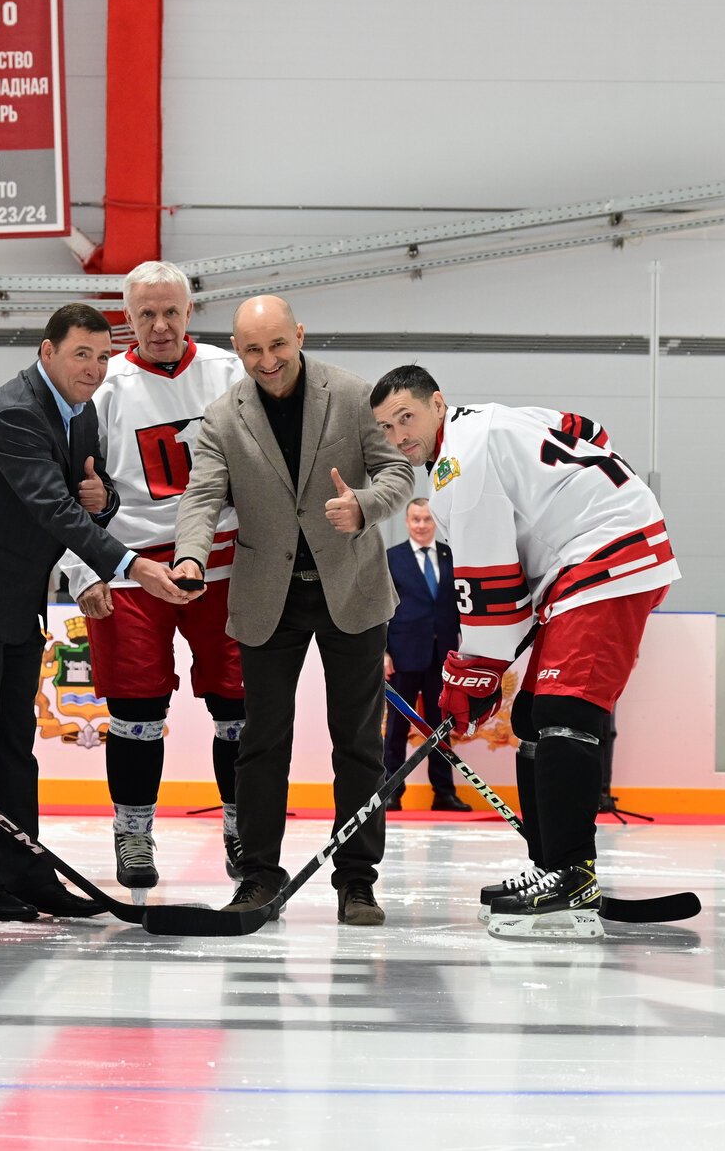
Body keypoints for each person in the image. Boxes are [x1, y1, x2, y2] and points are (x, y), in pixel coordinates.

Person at [370, 365, 680, 939]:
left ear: (438, 402)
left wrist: (470, 677)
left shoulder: (459, 468)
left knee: (566, 712)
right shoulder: (485, 423)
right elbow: (586, 429)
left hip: (607, 556)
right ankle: (552, 867)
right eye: (387, 428)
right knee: (533, 715)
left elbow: (491, 595)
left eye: (406, 417)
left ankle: (570, 878)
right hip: (585, 558)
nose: (398, 437)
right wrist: (479, 675)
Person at [0, 303, 195, 923]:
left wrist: (107, 500)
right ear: (47, 352)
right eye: (81, 354)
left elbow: (87, 497)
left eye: (102, 357)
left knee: (14, 745)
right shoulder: (13, 413)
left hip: (19, 596)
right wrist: (130, 566)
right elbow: (53, 507)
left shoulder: (84, 414)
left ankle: (28, 874)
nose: (94, 369)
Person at [173, 296, 414, 926]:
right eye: (252, 349)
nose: (267, 360)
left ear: (299, 335)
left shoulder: (356, 395)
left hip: (351, 589)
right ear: (236, 349)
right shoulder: (224, 416)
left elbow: (398, 470)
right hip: (266, 595)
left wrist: (364, 506)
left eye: (277, 345)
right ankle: (257, 877)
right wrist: (191, 558)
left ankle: (357, 881)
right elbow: (202, 496)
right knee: (262, 740)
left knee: (358, 742)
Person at [59, 261, 250, 897]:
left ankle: (241, 823)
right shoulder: (104, 385)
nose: (161, 325)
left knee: (238, 705)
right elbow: (68, 488)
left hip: (223, 561)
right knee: (135, 708)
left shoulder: (229, 373)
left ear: (190, 311)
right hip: (129, 566)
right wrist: (80, 568)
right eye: (147, 314)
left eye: (171, 312)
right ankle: (133, 830)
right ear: (128, 318)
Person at [384, 498, 471, 812]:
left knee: (441, 726)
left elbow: (462, 607)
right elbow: (382, 609)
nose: (421, 525)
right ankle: (391, 791)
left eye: (426, 519)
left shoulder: (452, 556)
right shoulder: (391, 558)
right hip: (403, 654)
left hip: (443, 656)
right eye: (415, 519)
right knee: (396, 727)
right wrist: (383, 653)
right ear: (407, 522)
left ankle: (444, 793)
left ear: (435, 522)